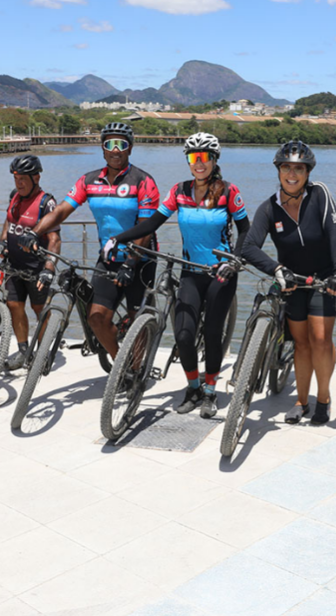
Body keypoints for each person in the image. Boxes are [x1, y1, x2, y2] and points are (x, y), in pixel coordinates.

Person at [106, 132, 249, 418]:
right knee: (183, 334)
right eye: (193, 158)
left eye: (204, 157)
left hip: (220, 272)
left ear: (214, 160)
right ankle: (193, 388)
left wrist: (233, 261)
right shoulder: (179, 191)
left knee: (211, 334)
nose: (199, 163)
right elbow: (153, 223)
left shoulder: (228, 191)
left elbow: (246, 230)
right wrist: (119, 238)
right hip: (191, 272)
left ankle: (210, 392)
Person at [21, 122, 159, 359]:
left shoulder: (143, 181)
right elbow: (61, 211)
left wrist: (131, 263)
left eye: (121, 144)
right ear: (103, 148)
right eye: (110, 144)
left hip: (141, 259)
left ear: (130, 148)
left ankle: (137, 368)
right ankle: (121, 364)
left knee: (138, 320)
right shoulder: (89, 180)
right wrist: (34, 232)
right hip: (108, 257)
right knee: (96, 318)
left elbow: (145, 228)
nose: (116, 150)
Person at [240, 140, 336, 426]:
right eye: (286, 167)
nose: (292, 173)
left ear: (307, 172)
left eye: (298, 168)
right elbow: (248, 247)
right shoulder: (269, 208)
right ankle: (301, 401)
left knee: (321, 339)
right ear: (278, 171)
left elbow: (335, 234)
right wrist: (276, 269)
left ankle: (322, 399)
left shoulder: (320, 195)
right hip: (291, 282)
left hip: (324, 279)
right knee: (301, 344)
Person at [0, 154, 61, 371]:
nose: (19, 183)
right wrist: (3, 242)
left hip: (37, 267)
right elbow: (9, 221)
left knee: (39, 308)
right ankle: (24, 351)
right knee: (14, 305)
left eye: (23, 178)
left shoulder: (46, 202)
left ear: (36, 177)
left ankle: (43, 351)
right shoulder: (15, 196)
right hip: (14, 264)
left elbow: (54, 239)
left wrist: (49, 269)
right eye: (16, 178)